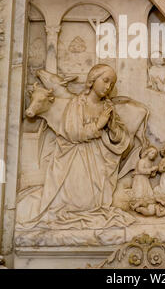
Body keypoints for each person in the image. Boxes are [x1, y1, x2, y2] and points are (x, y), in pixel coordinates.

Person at [17, 64, 135, 230]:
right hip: (75, 159)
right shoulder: (77, 104)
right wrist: (98, 125)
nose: (108, 87)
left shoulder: (108, 107)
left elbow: (120, 137)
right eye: (105, 80)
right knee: (77, 202)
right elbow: (72, 133)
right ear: (93, 80)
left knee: (93, 201)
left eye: (112, 84)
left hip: (98, 160)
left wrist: (114, 129)